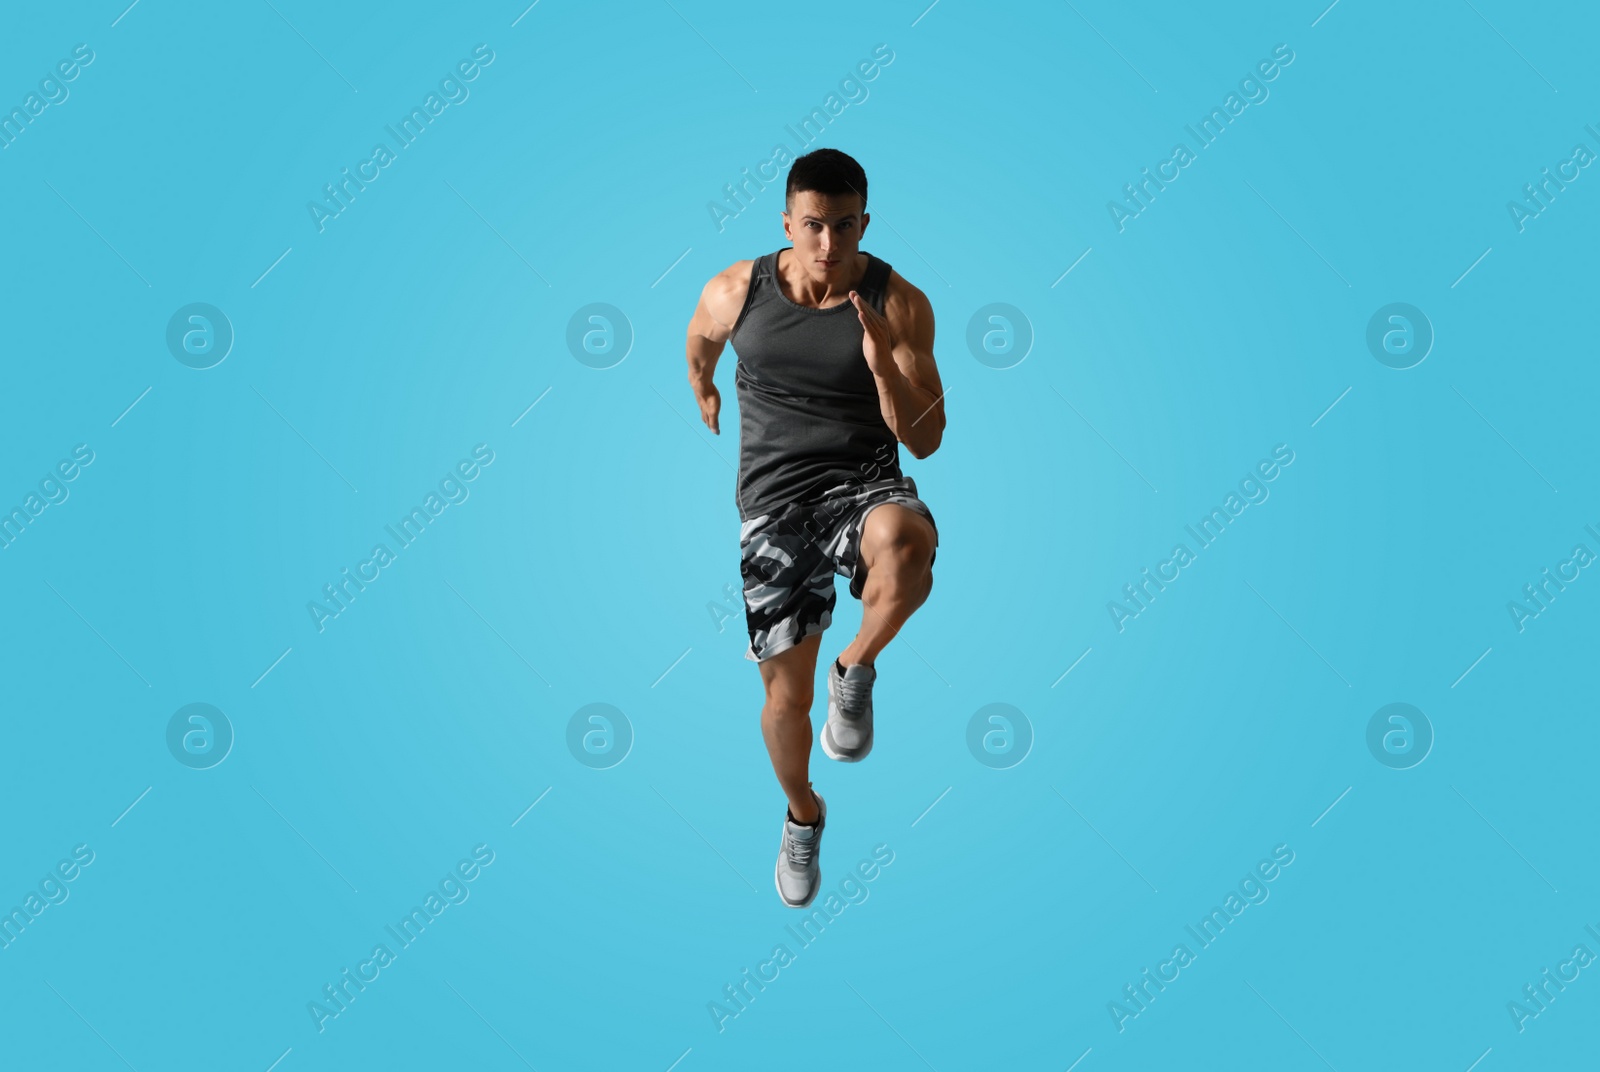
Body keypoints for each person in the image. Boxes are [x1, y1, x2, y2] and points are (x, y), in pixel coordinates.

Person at [683, 148, 946, 908]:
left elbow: (927, 438)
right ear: (786, 223)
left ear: (865, 222)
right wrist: (701, 385)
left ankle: (855, 667)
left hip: (863, 485)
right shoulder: (738, 288)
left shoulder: (898, 303)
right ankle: (804, 815)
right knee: (783, 707)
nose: (828, 245)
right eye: (812, 226)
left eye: (843, 227)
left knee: (908, 544)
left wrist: (882, 368)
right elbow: (699, 339)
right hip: (773, 506)